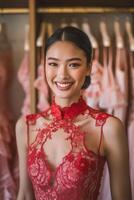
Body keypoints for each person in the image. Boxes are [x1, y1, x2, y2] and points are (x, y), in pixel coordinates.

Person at [16, 26, 131, 200]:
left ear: (88, 68)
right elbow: (24, 195)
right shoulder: (25, 126)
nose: (62, 75)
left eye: (73, 64)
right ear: (44, 66)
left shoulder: (107, 128)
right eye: (53, 64)